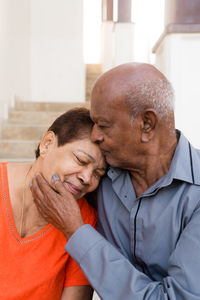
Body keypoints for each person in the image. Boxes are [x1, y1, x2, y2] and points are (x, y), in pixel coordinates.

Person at [31, 62, 200, 300]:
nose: (94, 136)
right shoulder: (99, 176)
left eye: (103, 125)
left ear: (146, 124)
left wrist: (77, 232)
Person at [0, 107, 106, 300]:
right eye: (81, 160)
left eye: (98, 174)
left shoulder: (83, 221)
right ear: (47, 144)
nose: (87, 178)